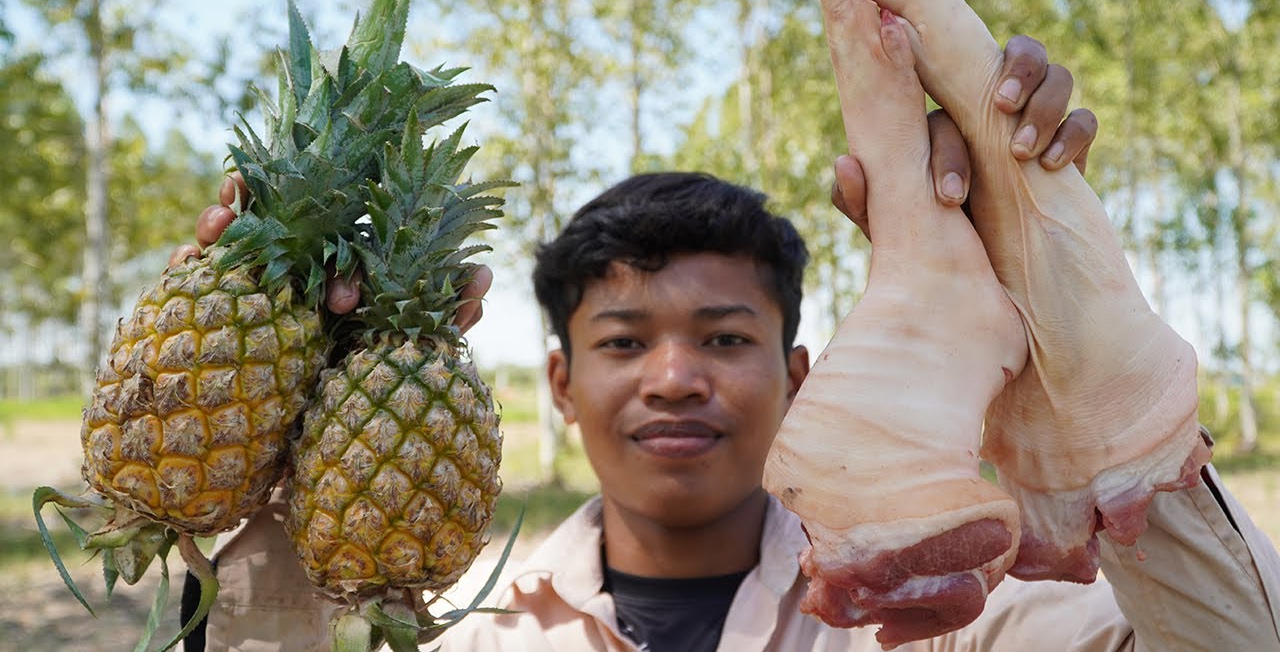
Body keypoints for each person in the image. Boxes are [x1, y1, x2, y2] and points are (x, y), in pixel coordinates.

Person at [177, 36, 1280, 651]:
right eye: (622, 342)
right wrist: (288, 432)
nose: (674, 379)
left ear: (796, 377)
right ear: (559, 381)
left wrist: (1094, 394)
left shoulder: (939, 611)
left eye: (723, 337)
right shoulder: (477, 636)